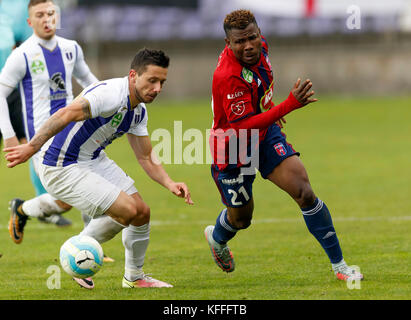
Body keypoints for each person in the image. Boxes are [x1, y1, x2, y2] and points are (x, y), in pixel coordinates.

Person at [4, 48, 194, 289]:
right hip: (60, 163)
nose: (157, 88)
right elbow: (65, 114)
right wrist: (31, 147)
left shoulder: (138, 112)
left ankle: (134, 278)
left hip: (91, 158)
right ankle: (76, 253)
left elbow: (145, 157)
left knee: (141, 212)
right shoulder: (110, 94)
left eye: (162, 82)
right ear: (133, 75)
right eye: (152, 80)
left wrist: (170, 183)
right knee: (126, 210)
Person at [205, 9, 363, 282]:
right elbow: (241, 126)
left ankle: (340, 267)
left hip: (265, 135)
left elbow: (258, 90)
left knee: (304, 192)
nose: (249, 45)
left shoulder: (262, 48)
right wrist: (286, 106)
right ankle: (217, 238)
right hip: (232, 147)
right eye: (240, 42)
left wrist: (268, 109)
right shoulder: (227, 75)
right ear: (228, 44)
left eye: (252, 37)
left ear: (259, 34)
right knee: (241, 219)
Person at [0, 0, 100, 232]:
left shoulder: (71, 48)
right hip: (41, 140)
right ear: (29, 21)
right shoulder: (22, 55)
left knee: (92, 183)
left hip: (72, 130)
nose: (47, 19)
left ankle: (91, 243)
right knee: (66, 201)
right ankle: (23, 209)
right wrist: (9, 135)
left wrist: (114, 99)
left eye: (51, 13)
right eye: (40, 15)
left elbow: (89, 81)